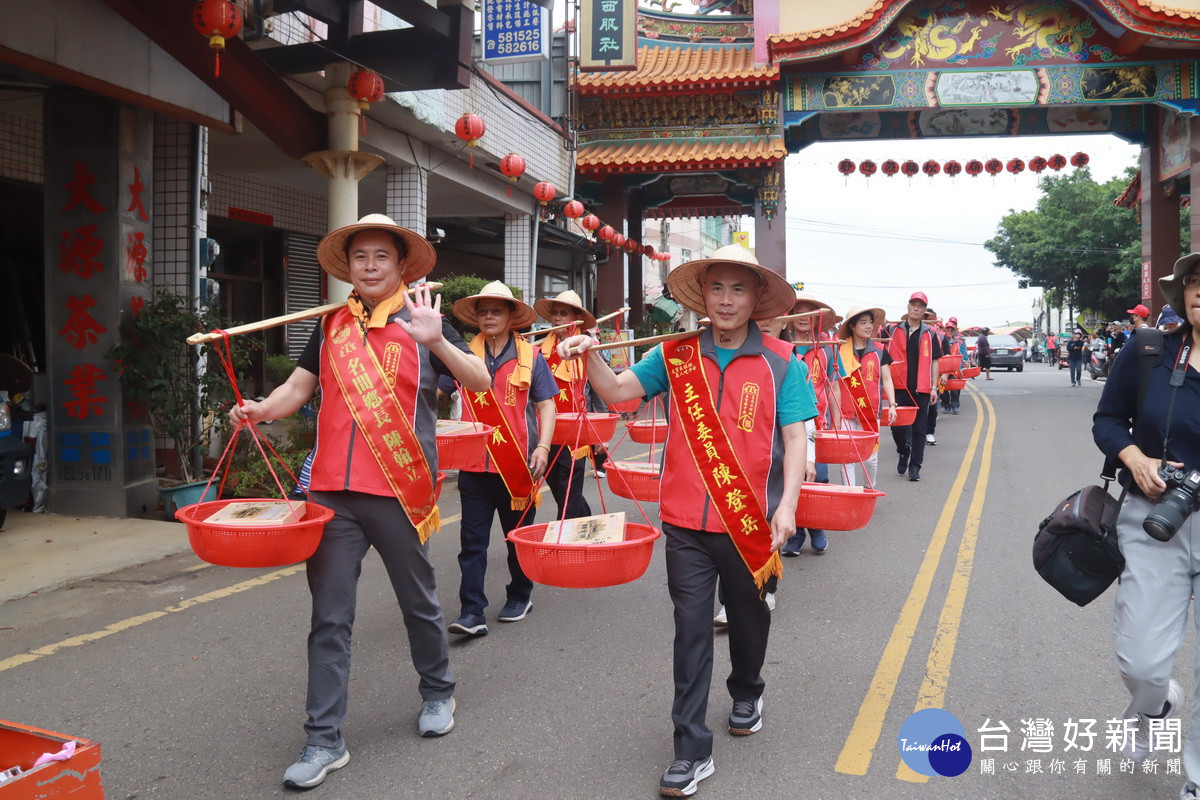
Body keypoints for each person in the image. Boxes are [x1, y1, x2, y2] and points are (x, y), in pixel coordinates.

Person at [228, 214, 491, 789]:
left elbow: (480, 383)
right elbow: (297, 390)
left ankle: (438, 691)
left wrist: (439, 340)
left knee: (418, 602)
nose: (370, 267)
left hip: (398, 489)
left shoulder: (423, 323)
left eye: (381, 257)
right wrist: (260, 409)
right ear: (348, 268)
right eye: (360, 258)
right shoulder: (328, 327)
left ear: (400, 267)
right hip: (330, 493)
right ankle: (323, 739)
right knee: (329, 617)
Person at [557, 244, 814, 798]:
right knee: (691, 630)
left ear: (756, 299)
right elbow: (621, 394)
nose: (726, 300)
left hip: (752, 522)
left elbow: (796, 437)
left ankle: (747, 688)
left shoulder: (781, 361)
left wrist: (788, 504)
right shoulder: (675, 355)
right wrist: (593, 356)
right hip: (685, 523)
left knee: (749, 621)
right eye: (716, 288)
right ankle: (690, 749)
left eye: (738, 289)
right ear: (702, 296)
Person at [1092, 252, 1200, 800]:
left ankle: (1197, 781)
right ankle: (1153, 705)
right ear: (1180, 293)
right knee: (1141, 659)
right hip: (1154, 516)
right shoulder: (1149, 349)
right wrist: (1134, 457)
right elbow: (1107, 420)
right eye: (1195, 282)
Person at [448, 282, 558, 637]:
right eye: (483, 311)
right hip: (474, 465)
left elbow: (546, 405)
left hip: (518, 467)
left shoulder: (532, 357)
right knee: (472, 543)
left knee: (518, 539)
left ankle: (520, 594)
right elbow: (437, 388)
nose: (489, 316)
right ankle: (471, 611)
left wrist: (543, 447)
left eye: (497, 310)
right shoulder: (462, 355)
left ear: (512, 317)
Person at [782, 292, 840, 555]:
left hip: (818, 423)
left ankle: (816, 526)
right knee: (791, 476)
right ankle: (797, 533)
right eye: (798, 311)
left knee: (820, 477)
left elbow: (835, 386)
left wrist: (836, 423)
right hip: (789, 424)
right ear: (790, 318)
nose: (803, 317)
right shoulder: (783, 347)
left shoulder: (828, 349)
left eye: (809, 312)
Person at [532, 290, 597, 520]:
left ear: (575, 318)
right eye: (555, 313)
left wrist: (598, 434)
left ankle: (565, 540)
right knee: (563, 492)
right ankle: (587, 522)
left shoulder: (588, 347)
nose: (557, 318)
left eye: (564, 313)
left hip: (574, 435)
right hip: (547, 432)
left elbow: (597, 391)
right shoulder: (540, 350)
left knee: (569, 492)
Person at [836, 305, 897, 488]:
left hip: (870, 413)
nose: (869, 326)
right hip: (845, 412)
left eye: (870, 322)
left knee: (871, 458)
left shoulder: (880, 350)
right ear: (852, 327)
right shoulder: (840, 350)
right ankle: (850, 495)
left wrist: (892, 405)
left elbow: (887, 380)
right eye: (863, 322)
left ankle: (869, 490)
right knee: (846, 458)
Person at [887, 291, 942, 482]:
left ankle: (915, 466)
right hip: (899, 386)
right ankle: (903, 451)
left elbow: (935, 361)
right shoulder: (892, 330)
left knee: (920, 429)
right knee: (897, 427)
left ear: (924, 310)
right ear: (908, 306)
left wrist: (934, 387)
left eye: (920, 305)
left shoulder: (930, 333)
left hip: (922, 388)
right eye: (913, 304)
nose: (916, 308)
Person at [941, 317, 967, 414]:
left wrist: (961, 368)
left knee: (955, 389)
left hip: (954, 369)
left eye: (952, 330)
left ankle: (955, 406)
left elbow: (962, 355)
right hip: (943, 369)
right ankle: (946, 406)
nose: (950, 332)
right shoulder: (941, 340)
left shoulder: (959, 342)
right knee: (943, 388)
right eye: (948, 330)